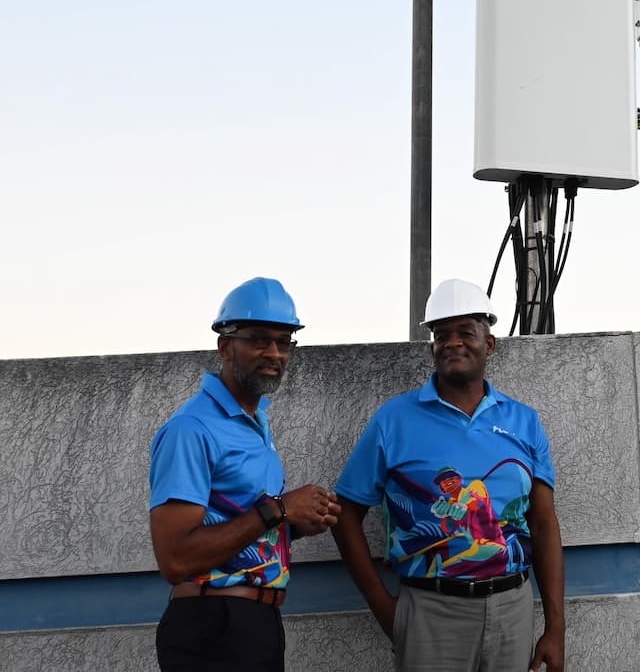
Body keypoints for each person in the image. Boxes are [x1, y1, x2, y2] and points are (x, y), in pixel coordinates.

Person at [332, 278, 565, 672]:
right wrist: (388, 610)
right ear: (432, 347)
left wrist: (555, 627)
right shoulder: (395, 420)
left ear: (488, 343)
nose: (453, 343)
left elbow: (543, 523)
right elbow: (345, 514)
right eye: (441, 335)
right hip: (429, 610)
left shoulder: (524, 422)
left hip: (511, 607)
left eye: (465, 332)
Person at [149, 277, 341, 671]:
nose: (274, 352)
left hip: (257, 625)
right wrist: (279, 510)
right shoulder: (192, 429)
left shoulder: (255, 422)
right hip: (212, 627)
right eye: (258, 339)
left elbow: (241, 522)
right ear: (225, 345)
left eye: (284, 341)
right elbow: (175, 558)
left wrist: (298, 522)